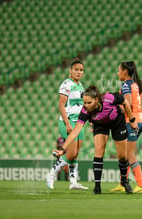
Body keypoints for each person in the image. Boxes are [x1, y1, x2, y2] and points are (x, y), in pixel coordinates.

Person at [53, 85, 138, 194]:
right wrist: (63, 148)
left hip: (117, 121)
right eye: (84, 103)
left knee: (122, 156)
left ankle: (124, 181)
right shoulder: (85, 111)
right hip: (100, 125)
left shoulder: (109, 98)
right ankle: (97, 186)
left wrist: (132, 120)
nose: (86, 106)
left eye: (89, 103)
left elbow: (125, 102)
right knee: (99, 150)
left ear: (97, 100)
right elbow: (75, 132)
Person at [46, 59, 88, 190]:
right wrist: (67, 123)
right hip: (68, 122)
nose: (79, 72)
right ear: (70, 70)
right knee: (71, 152)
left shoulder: (80, 85)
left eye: (81, 70)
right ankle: (51, 174)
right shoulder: (66, 84)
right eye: (76, 69)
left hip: (79, 123)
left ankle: (73, 181)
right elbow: (61, 105)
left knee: (75, 154)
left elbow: (83, 106)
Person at [110, 61, 142, 193]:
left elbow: (128, 103)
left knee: (129, 155)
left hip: (131, 121)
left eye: (119, 70)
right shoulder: (135, 84)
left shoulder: (126, 85)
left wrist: (113, 110)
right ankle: (123, 183)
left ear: (125, 72)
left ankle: (141, 185)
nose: (117, 73)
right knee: (125, 155)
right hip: (140, 120)